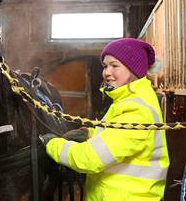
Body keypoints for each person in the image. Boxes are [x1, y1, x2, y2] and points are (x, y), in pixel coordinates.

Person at [40, 38, 170, 201]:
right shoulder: (130, 100)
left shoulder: (136, 110)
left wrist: (52, 144)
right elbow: (118, 139)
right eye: (105, 66)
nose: (107, 72)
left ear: (133, 70)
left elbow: (90, 158)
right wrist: (89, 133)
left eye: (115, 65)